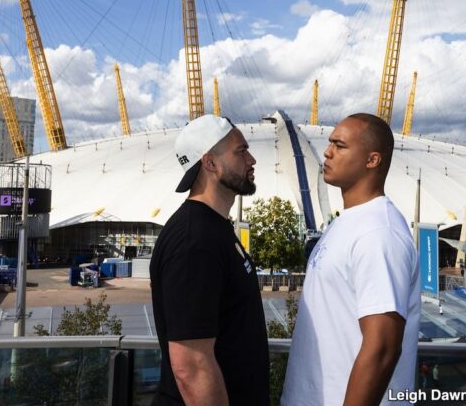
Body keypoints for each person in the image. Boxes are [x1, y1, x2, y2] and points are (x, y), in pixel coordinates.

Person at [282, 113, 421, 406]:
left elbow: (382, 347)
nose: (327, 152)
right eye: (330, 143)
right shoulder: (347, 222)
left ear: (372, 160)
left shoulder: (379, 232)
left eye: (340, 145)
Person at [149, 115, 269, 406]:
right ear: (211, 163)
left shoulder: (213, 229)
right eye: (241, 151)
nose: (252, 160)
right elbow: (190, 366)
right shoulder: (194, 241)